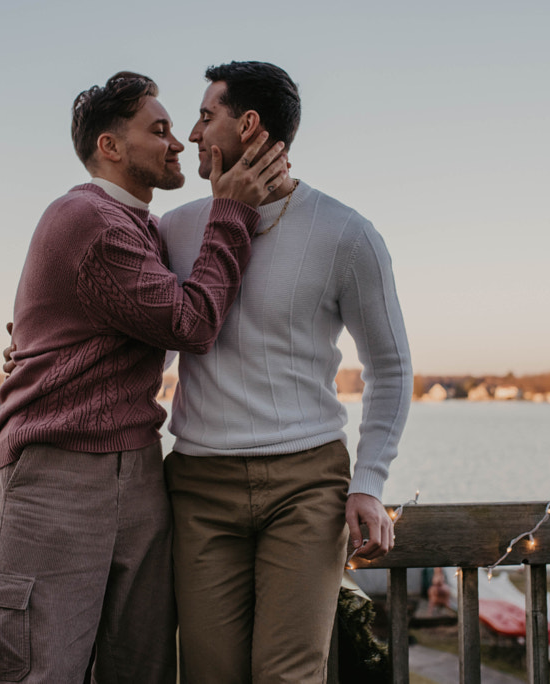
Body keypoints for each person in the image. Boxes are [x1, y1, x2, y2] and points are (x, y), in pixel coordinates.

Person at [0, 71, 288, 684]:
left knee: (140, 668)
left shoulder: (141, 229)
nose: (179, 144)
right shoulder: (88, 219)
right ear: (110, 148)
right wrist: (231, 213)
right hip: (58, 477)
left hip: (140, 472)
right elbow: (191, 324)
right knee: (38, 669)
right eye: (160, 130)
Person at [158, 61, 413, 683]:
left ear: (247, 126)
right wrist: (51, 345)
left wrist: (369, 481)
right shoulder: (172, 229)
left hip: (306, 485)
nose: (191, 134)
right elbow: (147, 344)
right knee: (209, 674)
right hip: (198, 487)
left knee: (289, 675)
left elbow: (390, 366)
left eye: (205, 116)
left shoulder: (346, 233)